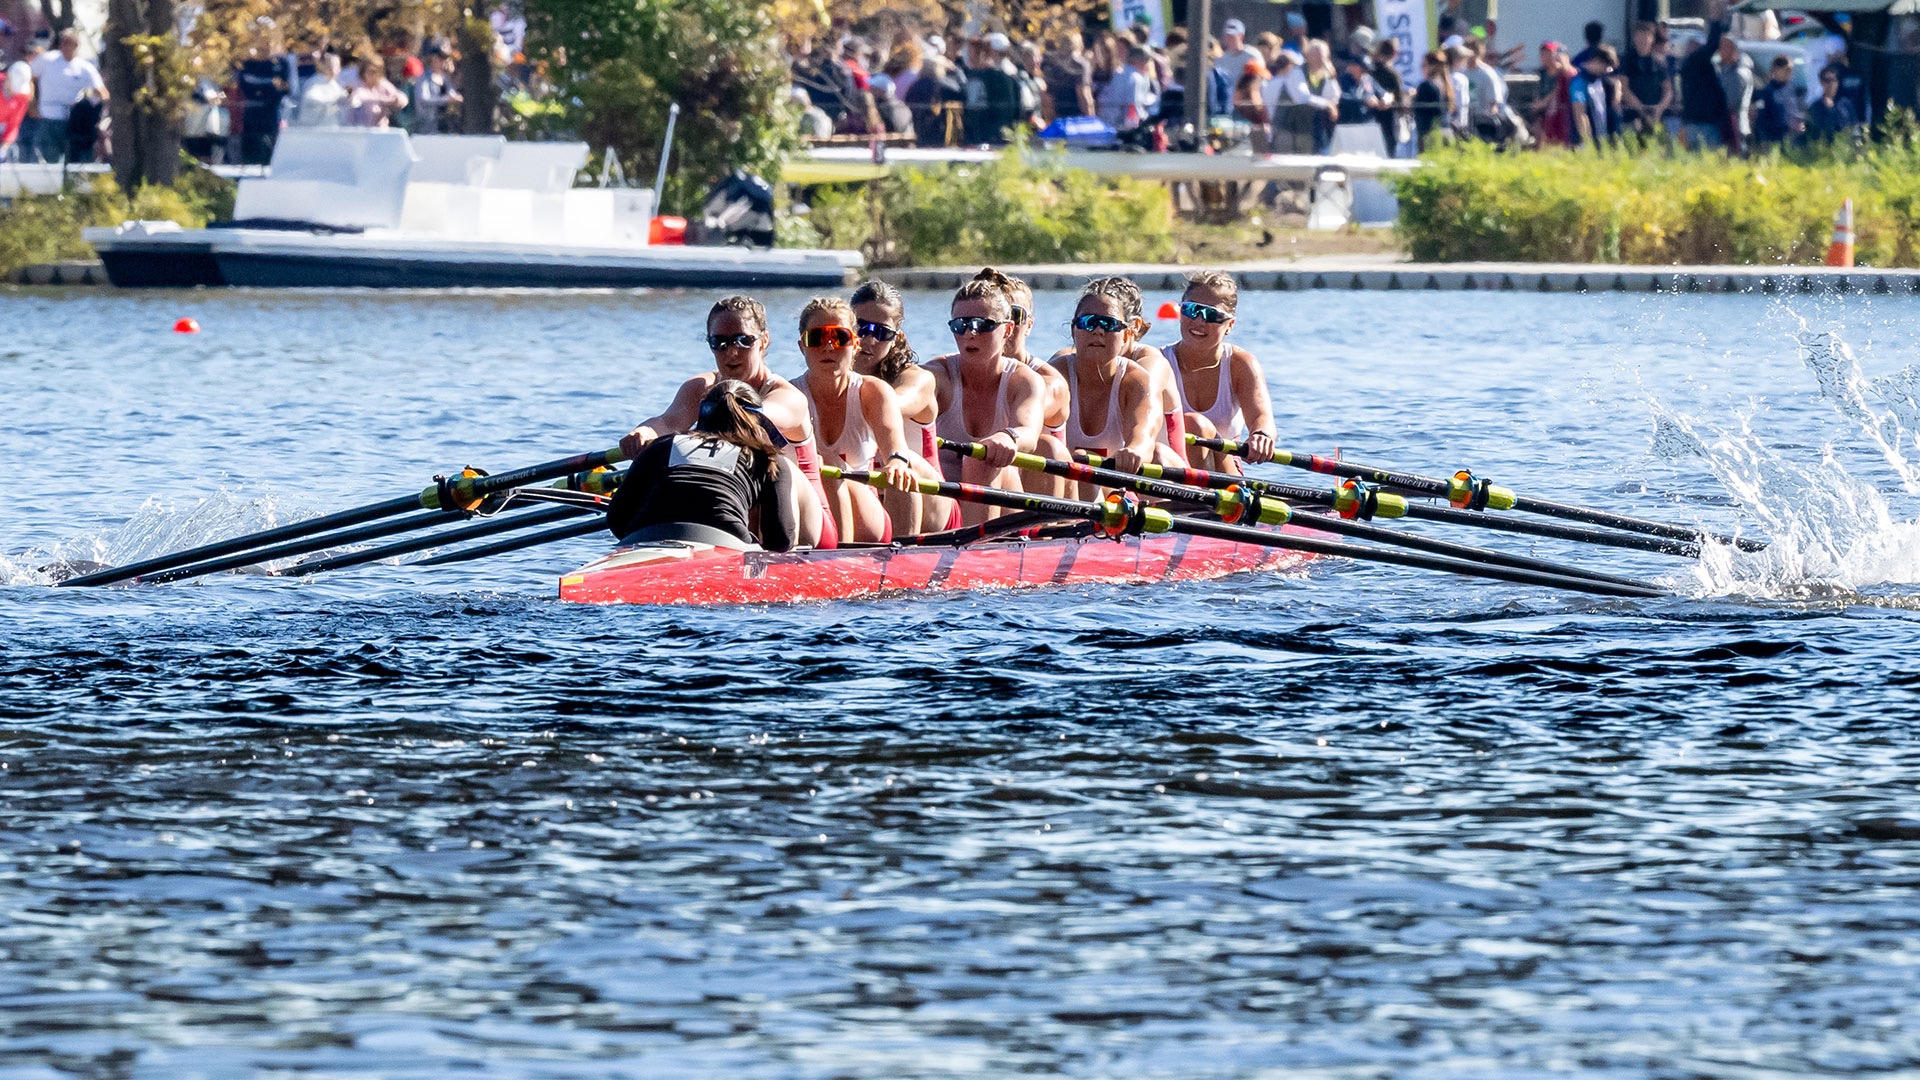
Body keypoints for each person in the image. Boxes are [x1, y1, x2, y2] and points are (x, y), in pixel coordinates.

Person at [623, 296, 833, 549]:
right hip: (734, 517)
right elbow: (669, 423)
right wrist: (645, 432)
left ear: (764, 341)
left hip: (807, 522)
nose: (731, 352)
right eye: (719, 343)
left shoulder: (787, 396)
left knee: (772, 465)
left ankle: (779, 558)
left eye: (743, 340)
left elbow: (753, 416)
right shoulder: (700, 388)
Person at [605, 379, 802, 553]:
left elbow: (616, 519)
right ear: (759, 421)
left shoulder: (663, 444)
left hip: (643, 539)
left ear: (703, 413)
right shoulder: (767, 458)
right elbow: (780, 539)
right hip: (728, 541)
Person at [790, 297, 919, 543]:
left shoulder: (873, 392)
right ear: (802, 346)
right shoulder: (789, 395)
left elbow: (896, 448)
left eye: (839, 337)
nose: (828, 347)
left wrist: (896, 462)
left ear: (855, 344)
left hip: (867, 519)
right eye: (817, 338)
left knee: (831, 464)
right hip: (810, 510)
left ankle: (852, 553)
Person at [925, 278, 1050, 525]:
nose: (970, 333)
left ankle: (978, 546)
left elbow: (1029, 432)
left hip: (1003, 508)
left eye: (983, 325)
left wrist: (1008, 437)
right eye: (960, 325)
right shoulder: (937, 375)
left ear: (1008, 330)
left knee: (981, 459)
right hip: (945, 510)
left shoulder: (1025, 380)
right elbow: (907, 393)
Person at [850, 280, 955, 535]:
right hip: (869, 494)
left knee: (900, 463)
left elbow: (886, 407)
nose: (869, 339)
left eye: (882, 332)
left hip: (933, 503)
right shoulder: (829, 377)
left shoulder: (918, 380)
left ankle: (901, 554)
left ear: (897, 338)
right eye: (861, 328)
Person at [1048, 277, 1163, 494]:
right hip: (1064, 488)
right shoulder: (1055, 375)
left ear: (1127, 335)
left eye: (1109, 324)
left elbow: (1144, 436)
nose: (1098, 331)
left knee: (1160, 455)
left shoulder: (1136, 381)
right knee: (1076, 460)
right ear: (1073, 330)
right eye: (1088, 322)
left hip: (1116, 491)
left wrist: (1135, 450)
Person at [1162, 271, 1276, 476]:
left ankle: (1200, 492)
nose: (1199, 321)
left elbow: (1262, 417)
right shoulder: (1159, 362)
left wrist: (1261, 435)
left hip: (1225, 471)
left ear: (1230, 325)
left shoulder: (1240, 364)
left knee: (1195, 424)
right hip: (1168, 467)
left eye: (1211, 315)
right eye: (1191, 310)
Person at [34, 29, 106, 163]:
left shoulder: (84, 67)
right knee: (49, 157)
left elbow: (101, 92)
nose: (64, 46)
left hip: (72, 120)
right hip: (48, 116)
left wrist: (90, 110)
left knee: (72, 157)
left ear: (76, 45)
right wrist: (33, 104)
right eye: (62, 42)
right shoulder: (47, 60)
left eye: (68, 42)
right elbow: (31, 78)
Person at [1679, 7, 1731, 151]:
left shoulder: (1690, 64)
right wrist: (1716, 20)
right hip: (1704, 124)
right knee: (1710, 158)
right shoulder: (1696, 61)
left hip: (1693, 122)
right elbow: (1713, 44)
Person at [1619, 22, 1672, 136]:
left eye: (1646, 36)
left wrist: (1659, 109)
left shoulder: (1660, 62)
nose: (1642, 40)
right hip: (1632, 117)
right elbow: (1624, 89)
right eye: (1639, 36)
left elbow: (1668, 90)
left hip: (1656, 117)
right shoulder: (1626, 60)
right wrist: (1642, 111)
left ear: (1652, 39)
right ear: (1634, 37)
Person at [1097, 44, 1158, 138]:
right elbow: (1133, 106)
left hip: (1108, 124)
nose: (1148, 63)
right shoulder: (1135, 78)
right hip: (1125, 127)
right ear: (1136, 60)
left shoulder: (1119, 74)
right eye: (1146, 60)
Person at [1570, 44, 1619, 151]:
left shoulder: (1599, 80)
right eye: (1606, 67)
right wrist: (1587, 142)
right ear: (1596, 61)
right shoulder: (1579, 82)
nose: (1607, 71)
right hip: (1586, 143)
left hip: (1602, 140)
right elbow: (1580, 114)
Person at [1750, 55, 1799, 151]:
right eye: (1787, 70)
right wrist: (1786, 124)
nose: (1790, 73)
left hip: (1790, 140)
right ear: (1776, 70)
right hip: (1772, 140)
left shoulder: (1791, 90)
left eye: (1790, 70)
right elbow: (1761, 121)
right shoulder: (1766, 93)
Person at [1715, 35, 1753, 155]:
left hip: (1734, 124)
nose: (1720, 50)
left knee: (1735, 157)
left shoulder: (1737, 73)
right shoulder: (1719, 70)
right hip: (1724, 124)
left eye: (1725, 47)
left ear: (1733, 51)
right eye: (1720, 47)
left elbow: (1731, 102)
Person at [1043, 32, 1094, 121]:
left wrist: (1050, 121)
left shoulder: (1053, 65)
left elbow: (1048, 99)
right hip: (1078, 118)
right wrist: (1091, 120)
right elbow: (1083, 94)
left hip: (1059, 119)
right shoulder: (1081, 64)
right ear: (1080, 45)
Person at [1532, 42, 1574, 148]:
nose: (1545, 57)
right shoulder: (1543, 72)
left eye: (1548, 53)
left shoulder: (1562, 71)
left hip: (1558, 105)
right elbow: (1539, 89)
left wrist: (1544, 102)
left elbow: (1558, 90)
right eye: (1543, 54)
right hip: (1544, 106)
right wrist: (1538, 102)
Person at [410, 47, 460, 134]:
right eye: (440, 59)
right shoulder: (423, 78)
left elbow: (451, 93)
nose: (443, 63)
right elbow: (423, 99)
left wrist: (455, 97)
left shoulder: (445, 78)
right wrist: (446, 99)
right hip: (427, 125)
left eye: (445, 60)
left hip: (444, 125)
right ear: (433, 59)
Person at [347, 56, 408, 127]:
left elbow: (402, 100)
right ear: (363, 72)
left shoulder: (384, 84)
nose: (373, 75)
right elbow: (355, 100)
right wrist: (381, 100)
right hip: (360, 128)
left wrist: (396, 100)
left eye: (376, 72)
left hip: (380, 129)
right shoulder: (357, 86)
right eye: (370, 72)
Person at [1803, 64, 1857, 145]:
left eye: (1834, 80)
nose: (1831, 84)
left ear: (1837, 83)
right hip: (1825, 149)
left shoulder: (1846, 104)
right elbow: (1816, 131)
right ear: (1822, 83)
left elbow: (1854, 125)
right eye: (1827, 80)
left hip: (1845, 147)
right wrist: (1829, 110)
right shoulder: (1815, 107)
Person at [1412, 49, 1455, 150]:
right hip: (1446, 132)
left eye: (1424, 65)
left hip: (1430, 135)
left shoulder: (1426, 86)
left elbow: (1420, 110)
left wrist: (1412, 99)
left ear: (1433, 66)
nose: (1422, 68)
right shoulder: (1445, 85)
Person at [1370, 40, 1405, 154]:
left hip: (1371, 115)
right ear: (1394, 53)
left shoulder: (1371, 70)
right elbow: (1399, 99)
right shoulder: (1392, 74)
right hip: (1389, 117)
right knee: (1389, 147)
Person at [297, 52, 347, 126]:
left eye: (336, 66)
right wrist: (331, 101)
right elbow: (310, 97)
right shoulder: (314, 81)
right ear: (323, 67)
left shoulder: (336, 85)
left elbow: (346, 100)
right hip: (312, 127)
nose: (332, 69)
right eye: (329, 66)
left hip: (331, 126)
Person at [1214, 18, 1262, 86]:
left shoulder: (1252, 55)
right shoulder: (1219, 59)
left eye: (1232, 36)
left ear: (1241, 36)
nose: (1228, 38)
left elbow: (1259, 79)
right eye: (1227, 35)